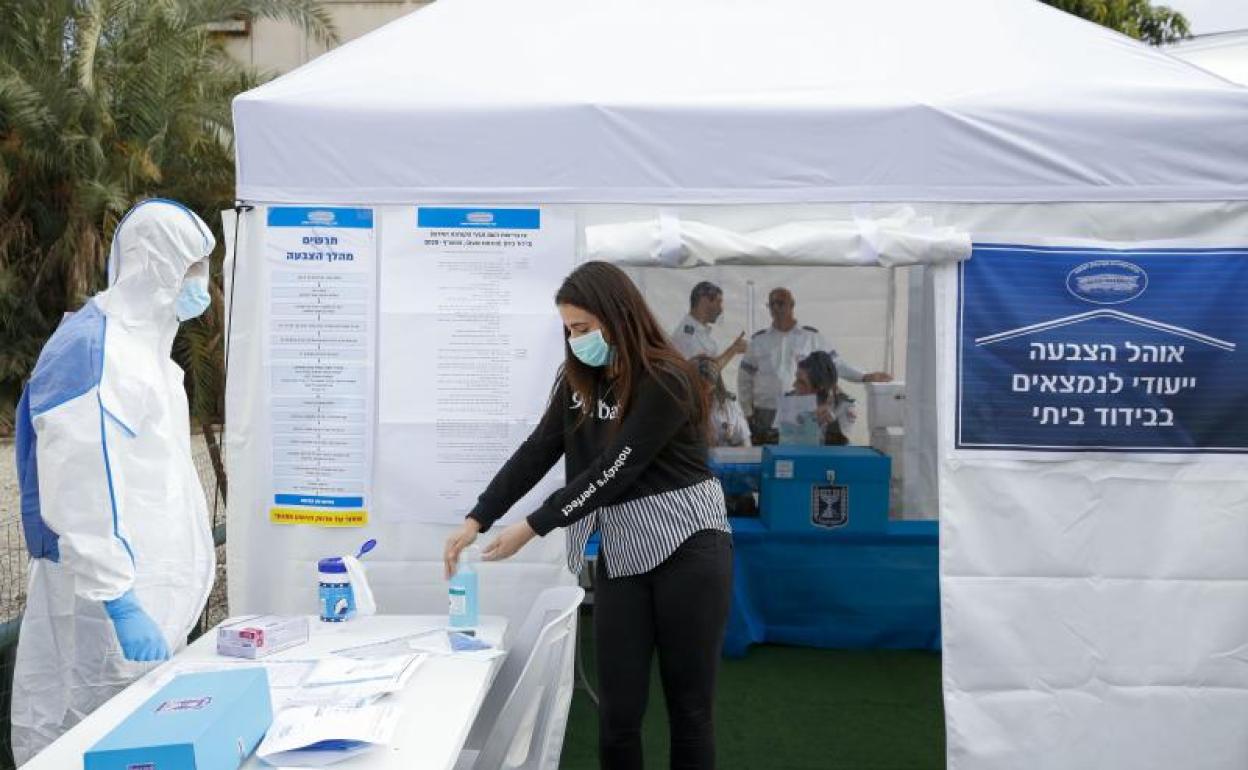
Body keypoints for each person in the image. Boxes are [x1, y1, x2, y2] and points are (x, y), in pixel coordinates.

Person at [444, 261, 733, 770]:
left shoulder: (667, 380)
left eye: (582, 328)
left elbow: (613, 471)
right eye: (569, 330)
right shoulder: (579, 380)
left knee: (690, 710)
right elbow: (539, 449)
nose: (575, 340)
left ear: (618, 316)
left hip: (690, 545)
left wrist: (532, 526)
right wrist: (478, 518)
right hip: (624, 551)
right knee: (617, 713)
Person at [11, 199, 217, 762]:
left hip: (148, 602)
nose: (201, 283)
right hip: (101, 609)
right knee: (81, 736)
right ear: (155, 265)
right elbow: (77, 486)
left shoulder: (147, 351)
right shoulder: (93, 351)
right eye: (191, 267)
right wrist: (119, 597)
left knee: (133, 740)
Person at [738, 287, 889, 441]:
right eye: (772, 304)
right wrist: (747, 413)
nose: (776, 308)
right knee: (767, 458)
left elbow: (836, 364)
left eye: (781, 303)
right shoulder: (758, 341)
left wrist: (863, 377)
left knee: (798, 454)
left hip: (801, 410)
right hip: (764, 412)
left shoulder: (811, 337)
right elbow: (744, 379)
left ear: (792, 304)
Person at [670, 280, 746, 368]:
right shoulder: (687, 336)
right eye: (718, 302)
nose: (721, 309)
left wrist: (734, 348)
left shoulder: (699, 332)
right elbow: (703, 373)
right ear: (704, 301)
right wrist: (733, 350)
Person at [789, 350, 857, 445]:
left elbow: (841, 446)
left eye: (802, 382)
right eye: (796, 378)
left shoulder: (844, 404)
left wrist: (832, 424)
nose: (794, 385)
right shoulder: (790, 398)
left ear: (820, 386)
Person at [692, 355, 750, 447]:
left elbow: (744, 440)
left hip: (724, 455)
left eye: (708, 389)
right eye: (700, 388)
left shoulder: (729, 405)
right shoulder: (686, 405)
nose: (704, 394)